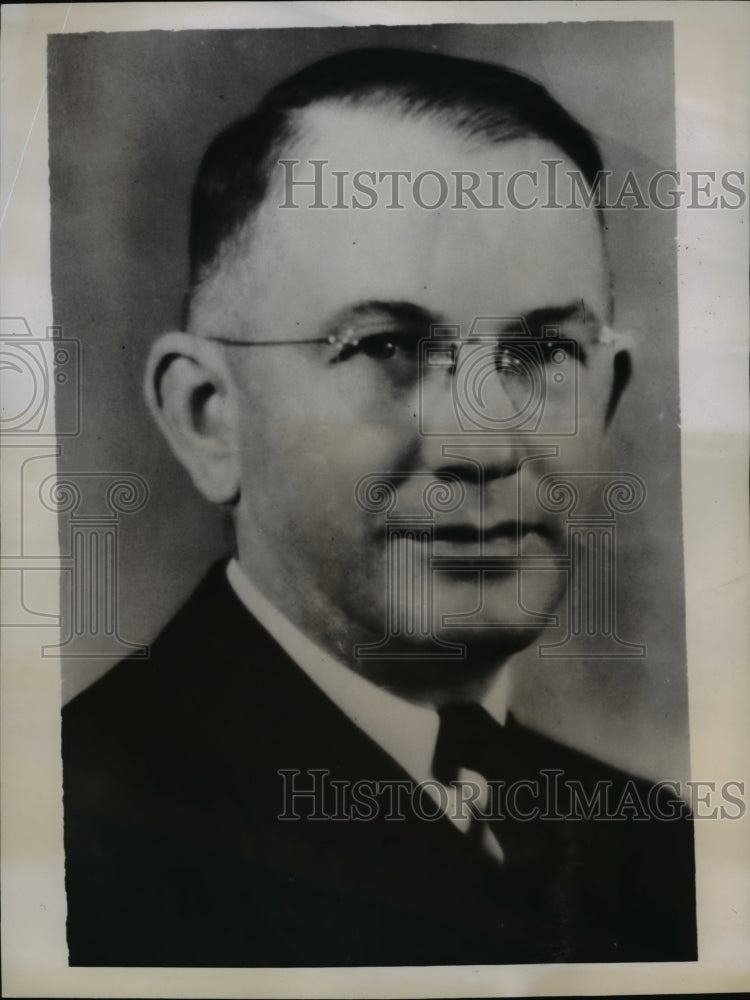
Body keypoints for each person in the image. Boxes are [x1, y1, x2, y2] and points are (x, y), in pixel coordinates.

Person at [62, 47, 696, 967]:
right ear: (209, 417)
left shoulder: (661, 851)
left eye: (541, 354)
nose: (482, 447)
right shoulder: (69, 841)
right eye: (389, 347)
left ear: (608, 395)